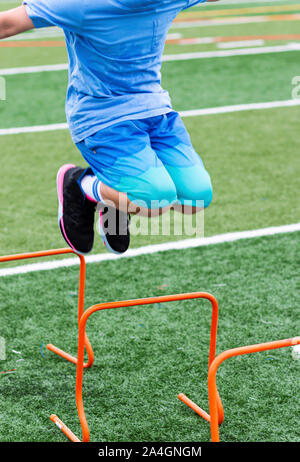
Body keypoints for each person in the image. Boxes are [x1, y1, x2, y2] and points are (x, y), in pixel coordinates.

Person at [0, 0, 217, 255]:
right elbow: (6, 24)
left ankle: (112, 197)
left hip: (157, 112)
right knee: (155, 200)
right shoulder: (82, 5)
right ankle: (80, 184)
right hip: (102, 119)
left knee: (197, 197)